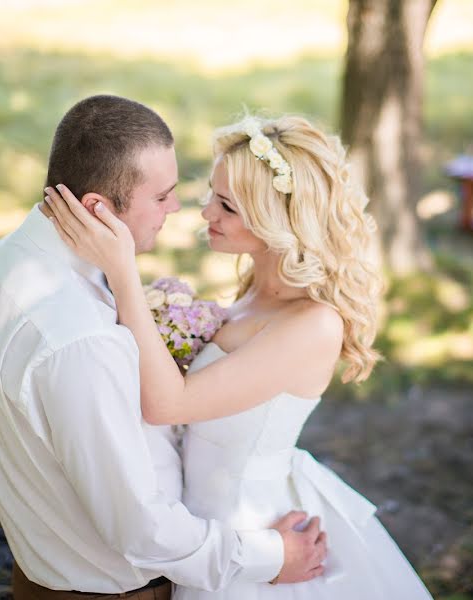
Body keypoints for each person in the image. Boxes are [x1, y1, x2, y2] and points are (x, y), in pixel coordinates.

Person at [44, 114, 434, 599]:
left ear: (279, 220)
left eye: (226, 206)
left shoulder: (313, 324)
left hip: (255, 535)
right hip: (203, 528)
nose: (205, 212)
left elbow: (168, 405)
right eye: (212, 193)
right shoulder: (254, 292)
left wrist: (122, 274)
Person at [0, 96, 327, 600]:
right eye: (162, 197)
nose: (181, 209)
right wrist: (271, 557)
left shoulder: (7, 261)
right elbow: (141, 529)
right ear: (97, 209)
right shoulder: (81, 342)